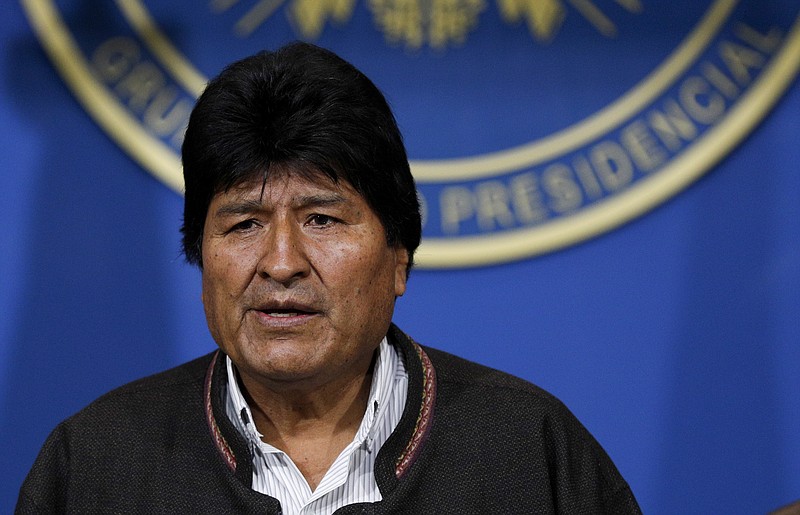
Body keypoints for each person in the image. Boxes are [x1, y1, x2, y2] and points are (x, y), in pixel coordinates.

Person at [16, 42, 641, 514]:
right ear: (200, 260)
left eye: (321, 219)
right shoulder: (97, 464)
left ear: (399, 257)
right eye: (243, 225)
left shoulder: (528, 453)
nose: (281, 262)